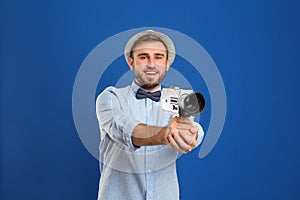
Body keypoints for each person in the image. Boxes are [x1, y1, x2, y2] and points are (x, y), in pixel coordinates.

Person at [96, 29, 204, 200]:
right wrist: (165, 134)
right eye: (143, 57)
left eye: (158, 57)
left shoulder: (178, 98)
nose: (151, 64)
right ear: (132, 63)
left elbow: (189, 131)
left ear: (167, 63)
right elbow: (123, 129)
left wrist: (194, 133)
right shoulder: (110, 97)